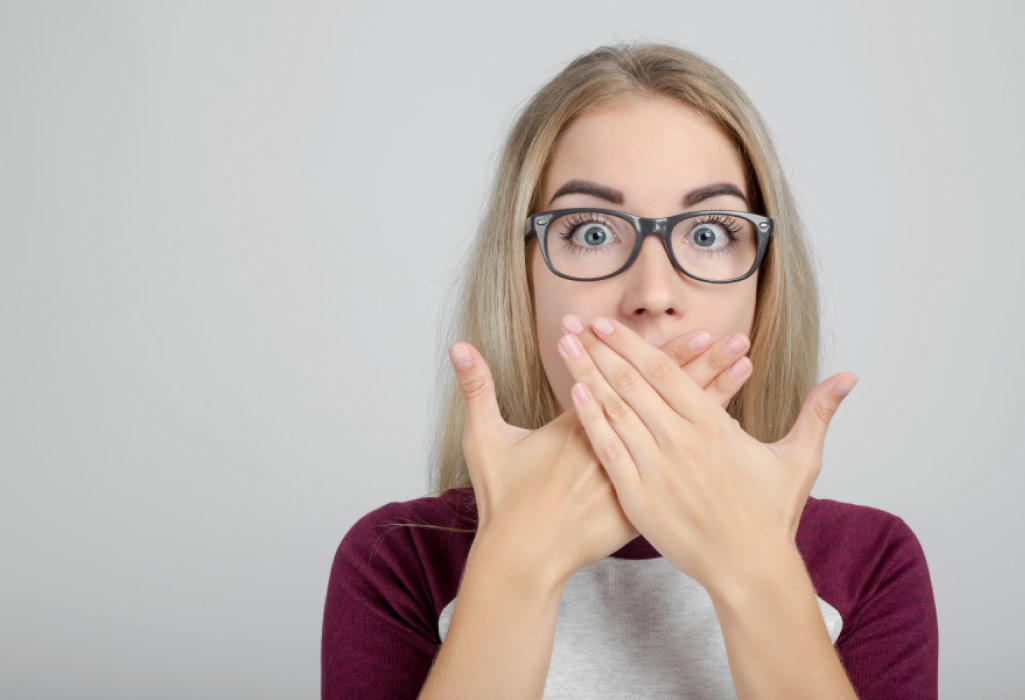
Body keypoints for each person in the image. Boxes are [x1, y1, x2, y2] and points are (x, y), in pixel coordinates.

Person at [321, 42, 938, 699]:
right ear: (521, 277)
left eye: (707, 233)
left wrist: (754, 571)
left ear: (762, 283)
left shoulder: (871, 562)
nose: (652, 291)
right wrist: (516, 566)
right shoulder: (399, 558)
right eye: (590, 231)